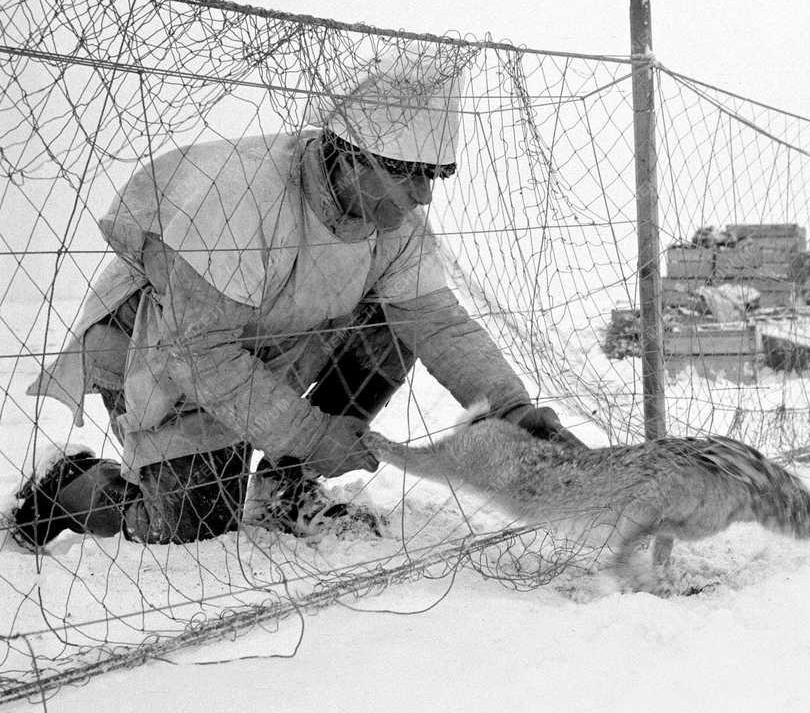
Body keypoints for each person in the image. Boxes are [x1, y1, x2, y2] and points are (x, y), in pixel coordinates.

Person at [13, 49, 582, 548]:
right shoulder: (239, 199)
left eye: (435, 175)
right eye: (409, 174)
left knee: (393, 324)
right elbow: (198, 356)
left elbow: (441, 324)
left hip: (268, 349)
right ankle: (73, 482)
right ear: (351, 156)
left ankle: (284, 487)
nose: (423, 196)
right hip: (164, 358)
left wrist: (514, 410)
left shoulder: (395, 225)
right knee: (193, 522)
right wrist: (311, 434)